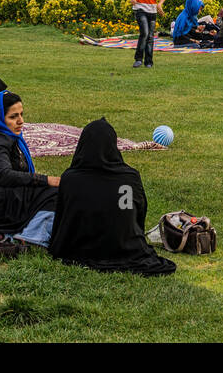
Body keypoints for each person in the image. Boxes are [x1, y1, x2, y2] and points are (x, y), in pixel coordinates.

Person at [47, 118, 176, 276]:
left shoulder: (70, 179)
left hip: (81, 248)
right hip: (127, 246)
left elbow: (63, 220)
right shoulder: (130, 178)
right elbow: (137, 215)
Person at [0, 91, 59, 252]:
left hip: (0, 195)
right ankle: (31, 237)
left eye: (21, 115)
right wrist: (46, 180)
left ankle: (17, 235)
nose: (20, 121)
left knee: (47, 192)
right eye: (13, 117)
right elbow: (3, 175)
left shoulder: (5, 136)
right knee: (51, 194)